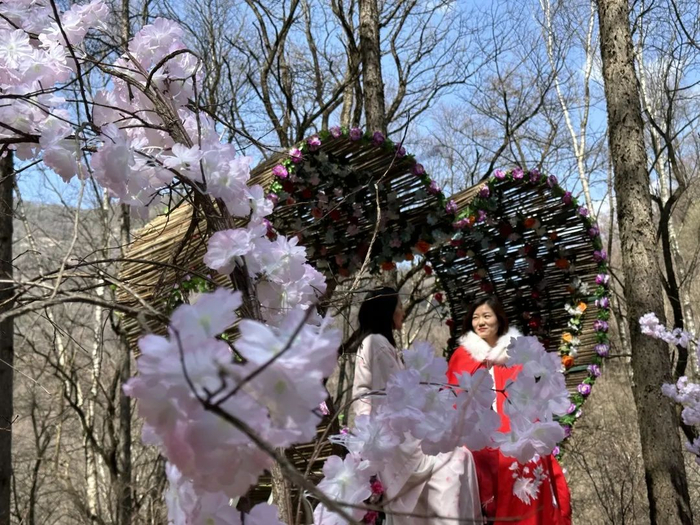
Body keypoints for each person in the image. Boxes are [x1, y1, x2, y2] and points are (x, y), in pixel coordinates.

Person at [351, 287, 482, 525]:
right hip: (393, 438)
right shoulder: (377, 344)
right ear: (388, 311)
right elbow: (392, 398)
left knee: (458, 455)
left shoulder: (378, 343)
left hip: (393, 434)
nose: (403, 312)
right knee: (456, 458)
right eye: (399, 307)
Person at [446, 296, 571, 525]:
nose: (480, 322)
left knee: (529, 462)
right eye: (475, 318)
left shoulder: (515, 353)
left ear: (499, 319)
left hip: (515, 431)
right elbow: (451, 399)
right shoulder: (461, 357)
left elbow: (531, 397)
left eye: (486, 316)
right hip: (475, 436)